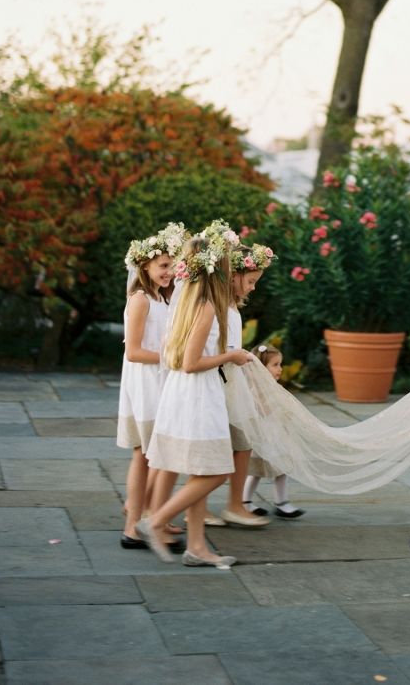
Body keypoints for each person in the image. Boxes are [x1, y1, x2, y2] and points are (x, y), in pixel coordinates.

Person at [137, 230, 254, 568]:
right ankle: (155, 521)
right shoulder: (205, 308)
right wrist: (231, 357)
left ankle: (197, 547)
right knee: (217, 472)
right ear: (217, 272)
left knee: (199, 472)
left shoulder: (186, 302)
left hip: (185, 395)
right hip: (199, 396)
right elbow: (191, 363)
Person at [117, 222, 186, 552]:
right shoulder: (141, 299)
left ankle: (146, 513)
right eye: (163, 266)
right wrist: (169, 357)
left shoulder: (163, 299)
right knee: (143, 456)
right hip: (146, 386)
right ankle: (132, 527)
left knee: (154, 456)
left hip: (162, 383)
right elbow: (133, 351)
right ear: (145, 265)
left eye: (173, 266)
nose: (169, 272)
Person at [218, 241, 276, 528]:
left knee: (242, 443)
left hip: (233, 380)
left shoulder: (230, 306)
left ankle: (235, 503)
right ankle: (221, 505)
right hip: (223, 382)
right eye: (251, 281)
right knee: (227, 445)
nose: (253, 288)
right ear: (234, 275)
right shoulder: (218, 306)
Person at [243, 343, 306, 519]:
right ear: (260, 368)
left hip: (276, 436)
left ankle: (281, 501)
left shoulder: (273, 387)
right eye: (275, 365)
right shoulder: (254, 389)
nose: (280, 369)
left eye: (280, 364)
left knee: (282, 468)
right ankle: (245, 501)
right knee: (256, 472)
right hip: (261, 438)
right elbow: (259, 411)